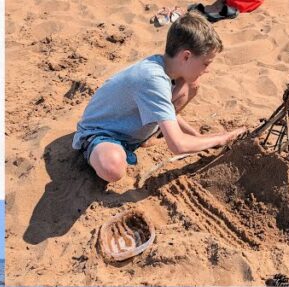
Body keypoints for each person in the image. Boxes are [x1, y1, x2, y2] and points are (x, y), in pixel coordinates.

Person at [73, 11, 245, 183]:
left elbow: (166, 110)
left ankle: (145, 139)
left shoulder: (167, 68)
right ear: (186, 56)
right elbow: (178, 146)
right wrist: (222, 138)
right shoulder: (152, 79)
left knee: (190, 86)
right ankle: (96, 150)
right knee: (113, 167)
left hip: (133, 129)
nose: (207, 69)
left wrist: (197, 136)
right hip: (103, 132)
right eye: (206, 63)